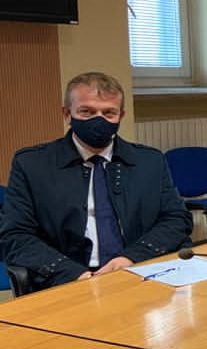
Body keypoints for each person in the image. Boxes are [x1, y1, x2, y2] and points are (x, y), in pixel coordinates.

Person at [0, 72, 192, 293]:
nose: (98, 120)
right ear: (67, 114)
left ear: (121, 116)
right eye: (87, 112)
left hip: (137, 271)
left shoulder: (149, 161)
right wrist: (70, 273)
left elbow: (176, 219)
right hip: (66, 279)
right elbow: (15, 235)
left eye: (109, 113)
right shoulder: (32, 165)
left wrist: (132, 257)